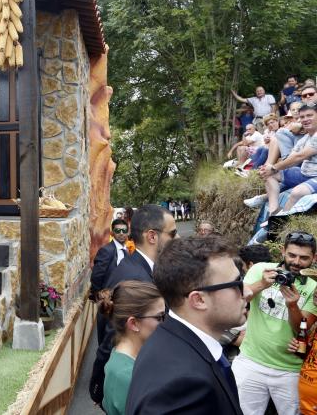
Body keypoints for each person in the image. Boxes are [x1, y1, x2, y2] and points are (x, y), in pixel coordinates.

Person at [125, 237, 248, 414]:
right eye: (237, 284)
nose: (247, 291)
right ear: (198, 300)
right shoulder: (185, 387)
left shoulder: (166, 339)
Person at [89, 204, 177, 405]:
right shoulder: (135, 276)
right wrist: (99, 387)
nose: (177, 239)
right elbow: (113, 335)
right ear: (152, 236)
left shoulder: (139, 266)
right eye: (172, 234)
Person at [232, 231, 317, 414]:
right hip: (250, 361)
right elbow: (238, 300)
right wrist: (262, 284)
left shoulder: (314, 286)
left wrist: (292, 305)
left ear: (314, 258)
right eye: (292, 255)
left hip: (290, 370)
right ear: (282, 251)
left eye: (304, 258)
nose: (296, 262)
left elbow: (301, 329)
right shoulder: (260, 269)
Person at [101, 281, 165, 415]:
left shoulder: (128, 355)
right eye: (160, 317)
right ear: (133, 323)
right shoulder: (126, 377)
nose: (165, 323)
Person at [245, 103, 317, 217]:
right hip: (304, 173)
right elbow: (291, 157)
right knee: (268, 173)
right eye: (302, 117)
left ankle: (281, 220)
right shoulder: (305, 138)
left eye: (309, 115)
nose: (305, 119)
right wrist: (268, 169)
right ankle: (274, 211)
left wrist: (274, 167)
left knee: (297, 192)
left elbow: (299, 157)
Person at [91, 219, 132, 344]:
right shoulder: (106, 250)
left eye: (124, 230)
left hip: (122, 300)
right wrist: (101, 297)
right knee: (106, 338)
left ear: (128, 232)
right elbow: (96, 277)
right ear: (112, 232)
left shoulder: (126, 251)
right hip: (108, 301)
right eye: (117, 230)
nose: (121, 233)